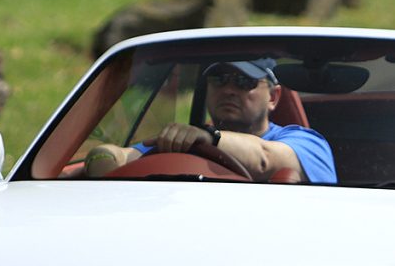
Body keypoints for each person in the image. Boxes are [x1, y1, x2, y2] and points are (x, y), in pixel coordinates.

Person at [82, 59, 336, 183]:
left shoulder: (308, 143)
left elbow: (264, 158)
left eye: (244, 82)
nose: (229, 89)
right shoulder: (190, 140)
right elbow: (114, 154)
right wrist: (105, 171)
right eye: (219, 79)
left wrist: (209, 138)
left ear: (273, 96)